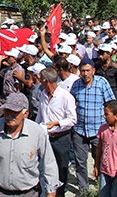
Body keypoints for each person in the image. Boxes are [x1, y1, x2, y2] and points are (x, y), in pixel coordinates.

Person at [0, 93, 61, 197]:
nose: (9, 115)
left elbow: (49, 163)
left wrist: (51, 191)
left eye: (14, 112)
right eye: (7, 110)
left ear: (25, 113)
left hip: (29, 193)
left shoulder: (37, 133)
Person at [70, 61, 115, 191]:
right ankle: (83, 189)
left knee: (100, 159)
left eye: (88, 70)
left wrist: (111, 124)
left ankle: (101, 186)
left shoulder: (102, 83)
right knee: (80, 161)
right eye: (83, 71)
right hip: (80, 129)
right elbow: (71, 103)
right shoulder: (76, 85)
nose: (85, 73)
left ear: (93, 71)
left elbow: (110, 103)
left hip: (98, 129)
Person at [36, 67, 77, 197]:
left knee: (61, 167)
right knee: (45, 166)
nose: (39, 82)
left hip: (61, 138)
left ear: (47, 81)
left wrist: (57, 123)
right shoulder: (43, 95)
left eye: (41, 80)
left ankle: (60, 193)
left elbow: (72, 119)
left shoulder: (66, 97)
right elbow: (40, 116)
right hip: (46, 137)